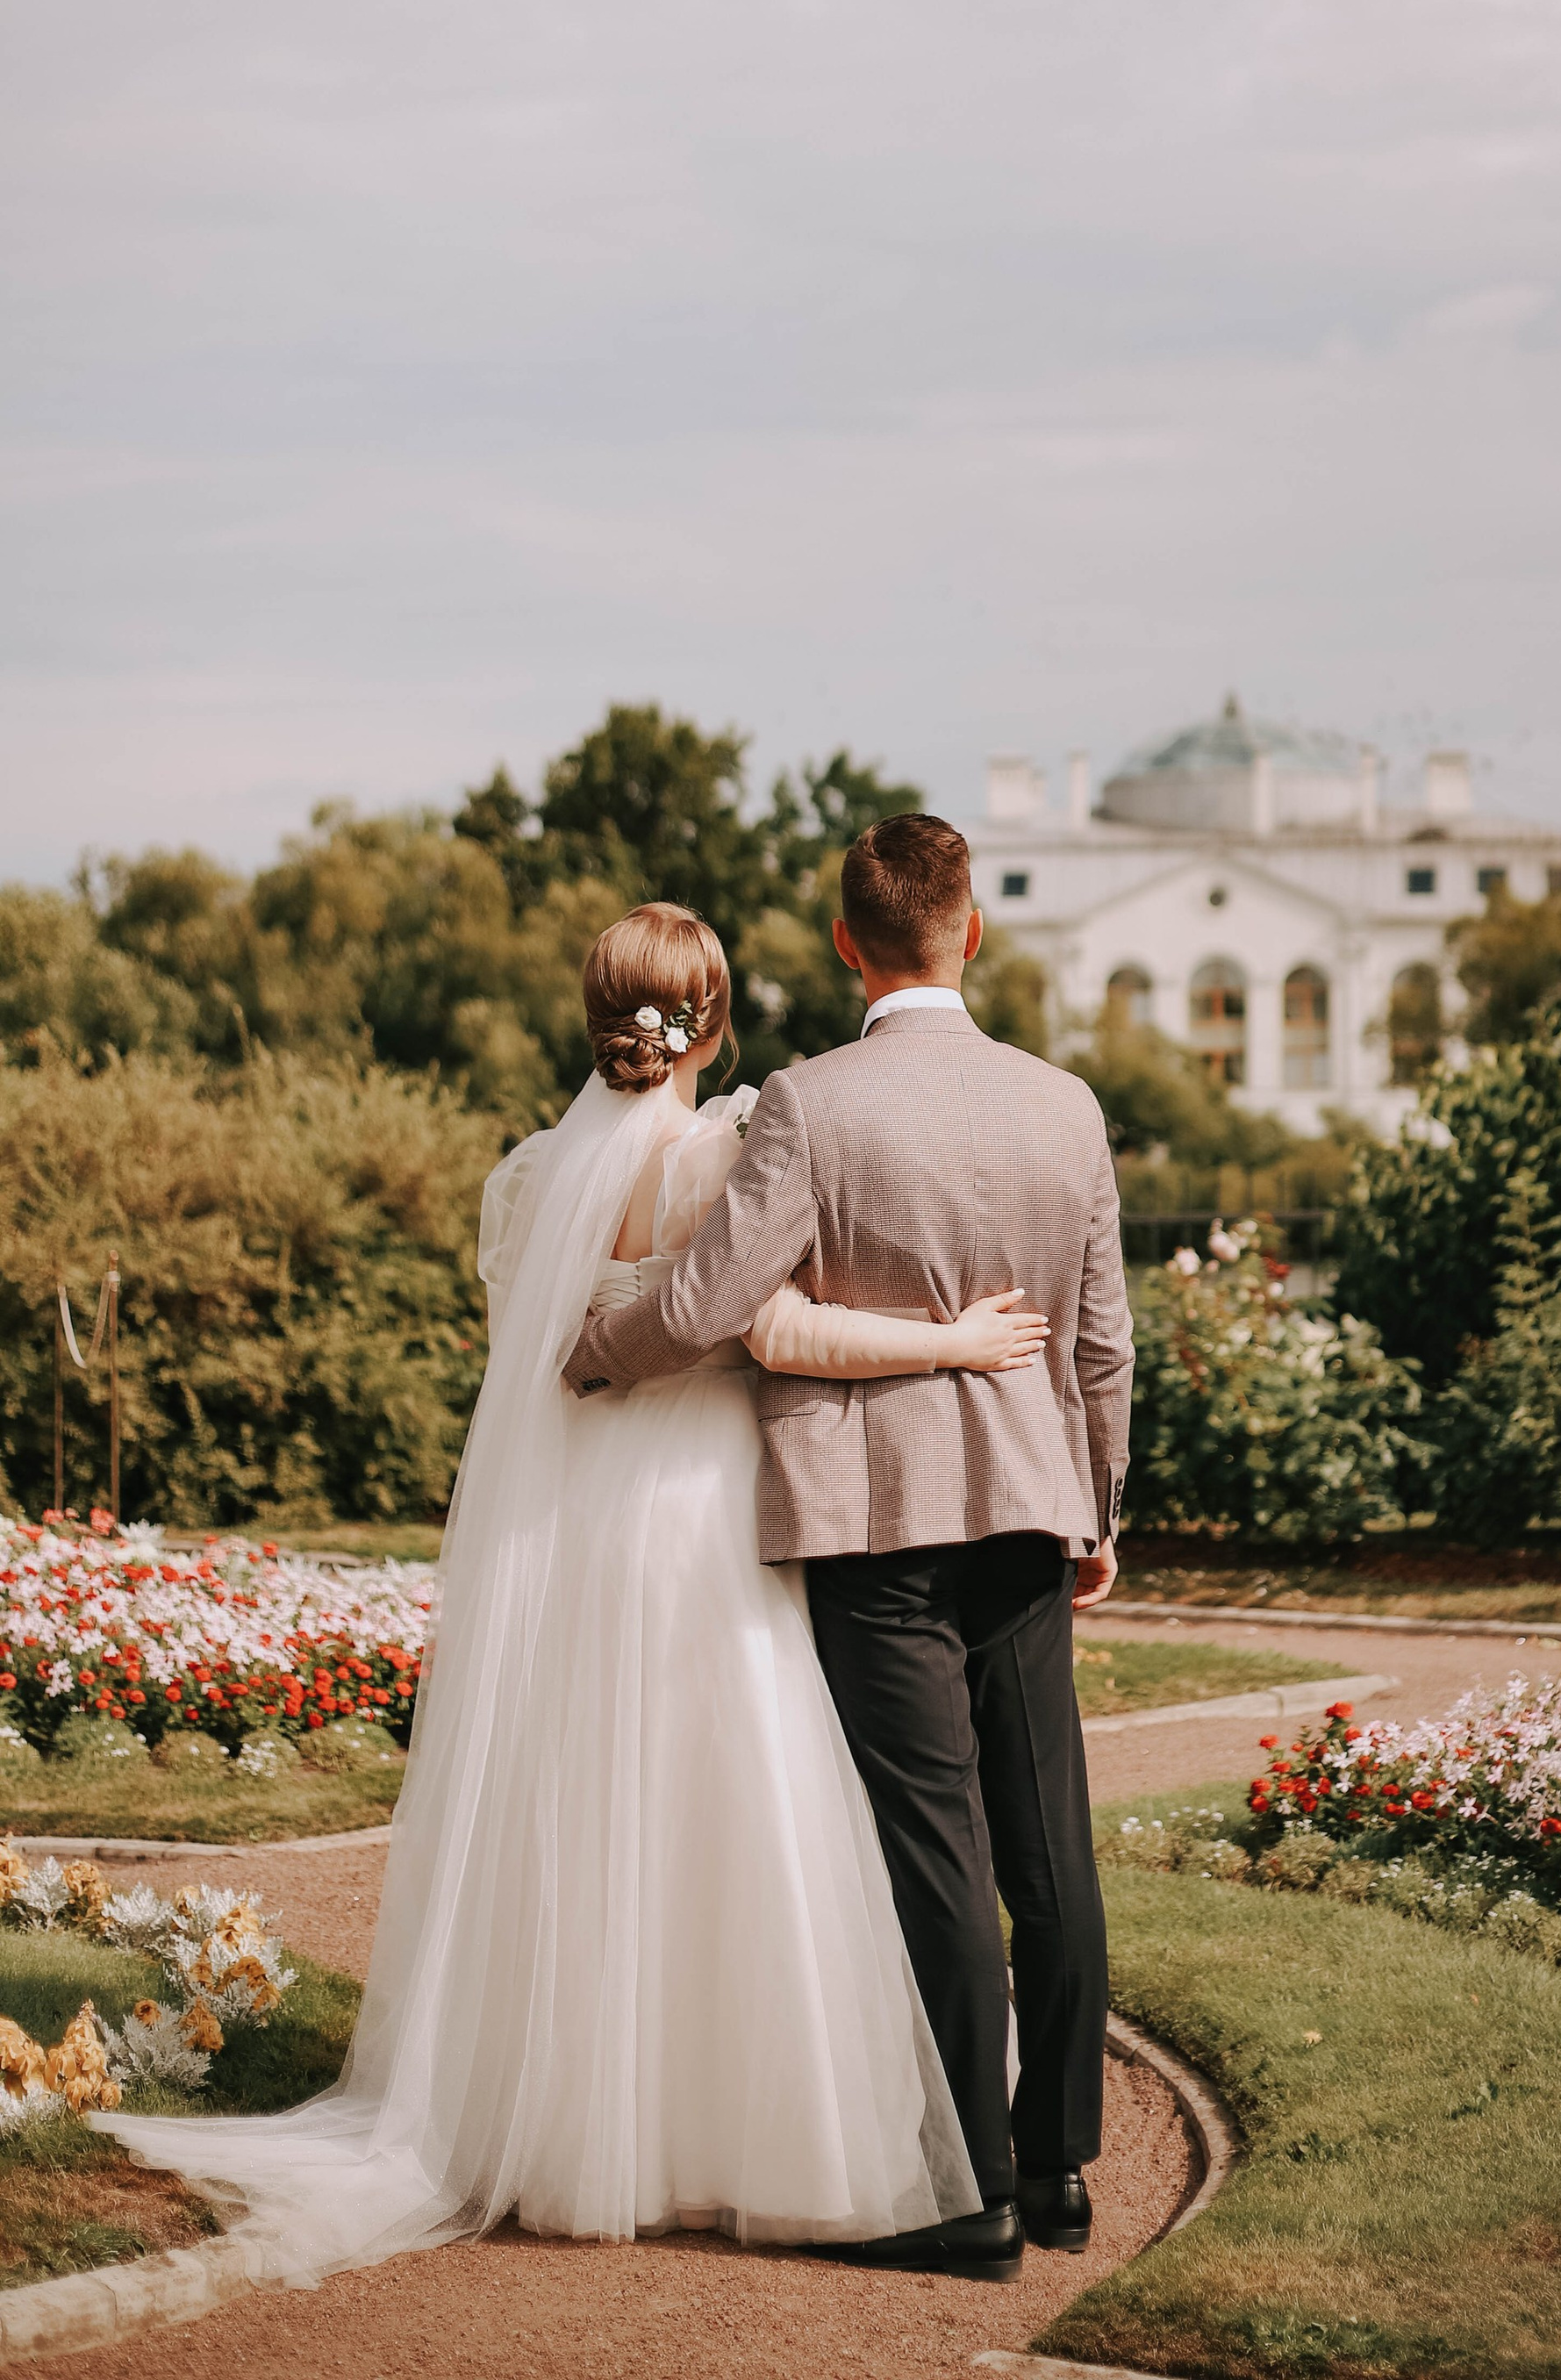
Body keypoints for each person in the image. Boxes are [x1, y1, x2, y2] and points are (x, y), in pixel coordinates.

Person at [99, 902, 1053, 2280]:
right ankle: (740, 2135)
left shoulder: (530, 1177)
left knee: (588, 1792)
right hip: (702, 1501)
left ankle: (570, 2119)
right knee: (731, 1792)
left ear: (600, 1016)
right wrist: (951, 1341)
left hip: (581, 1513)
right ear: (712, 1019)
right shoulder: (727, 1149)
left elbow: (541, 1361)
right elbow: (766, 1328)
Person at [565, 813, 1135, 2282]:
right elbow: (1102, 1345)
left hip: (875, 1524)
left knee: (936, 1850)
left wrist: (595, 1351)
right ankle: (1060, 2168)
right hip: (1031, 1510)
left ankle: (969, 2191)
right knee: (1048, 1844)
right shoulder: (1067, 1105)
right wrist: (1098, 1507)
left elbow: (710, 1303)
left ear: (843, 942)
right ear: (972, 931)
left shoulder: (812, 1104)